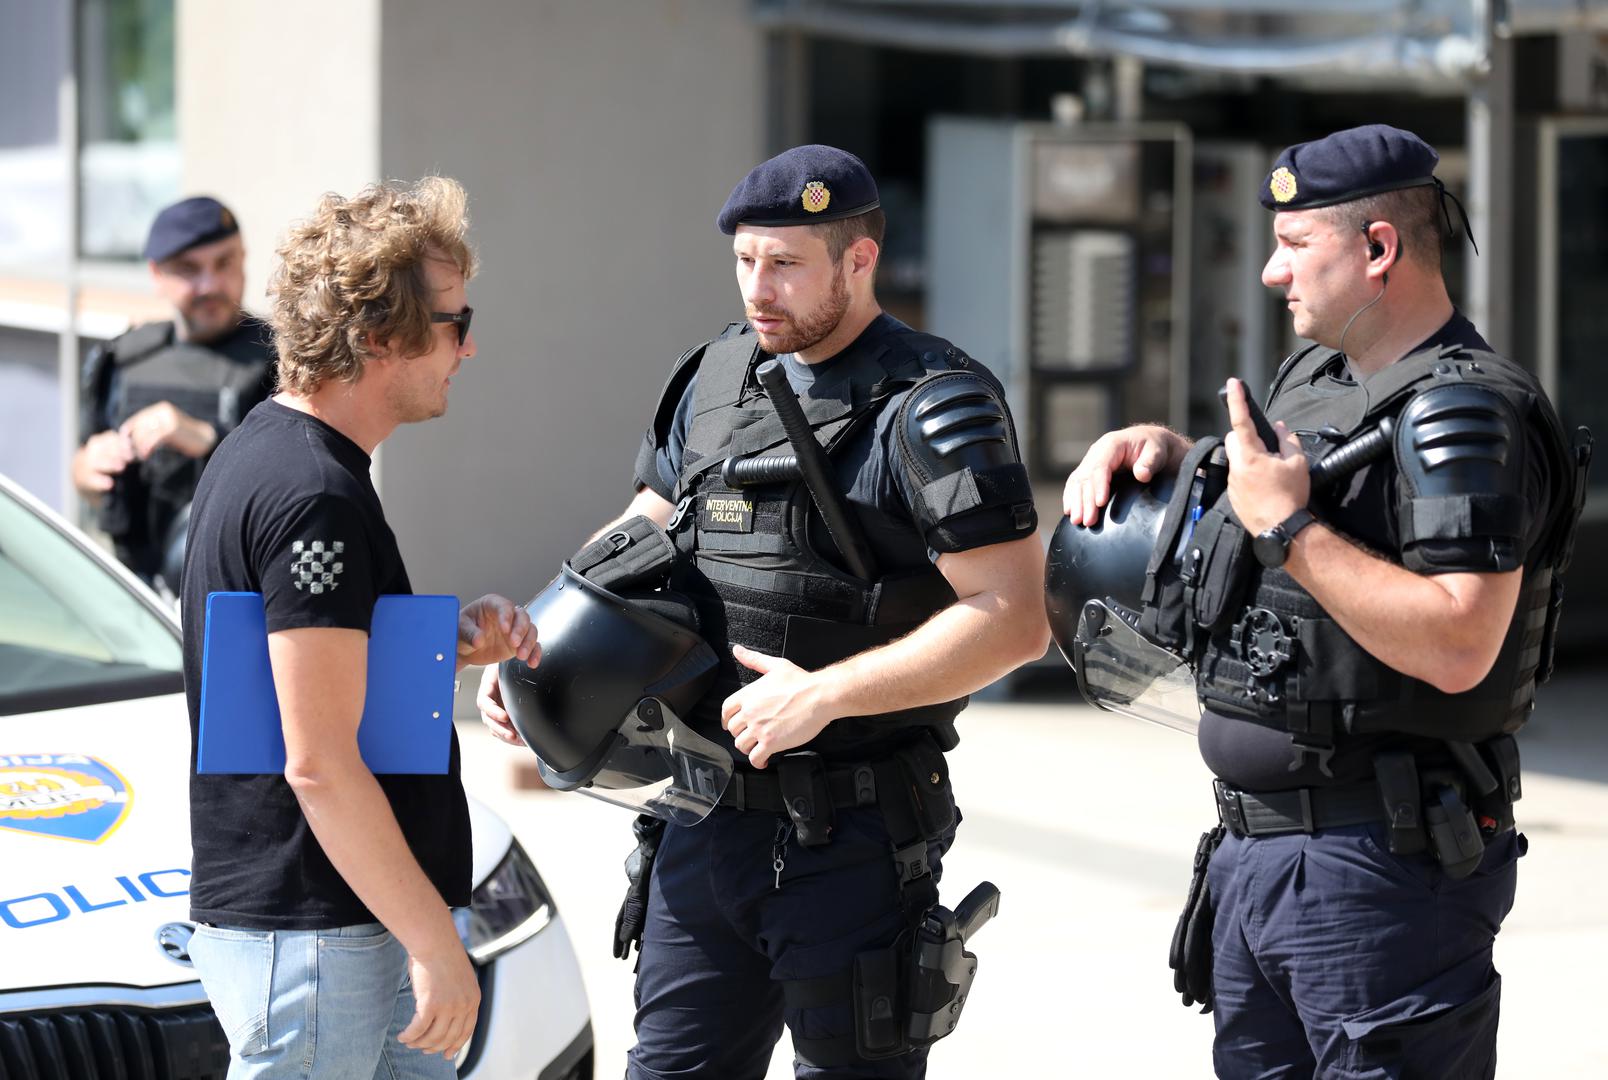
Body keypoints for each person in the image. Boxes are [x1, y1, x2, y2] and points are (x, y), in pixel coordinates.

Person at [479, 144, 1049, 1078]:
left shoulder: (931, 401)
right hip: (700, 824)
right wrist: (541, 658)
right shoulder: (712, 378)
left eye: (785, 264)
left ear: (858, 262)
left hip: (852, 838)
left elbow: (1015, 617)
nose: (758, 288)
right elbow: (639, 535)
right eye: (745, 261)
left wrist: (825, 695)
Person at [1060, 125, 1586, 1079]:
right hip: (1259, 856)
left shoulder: (1462, 415)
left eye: (1297, 245)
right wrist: (1180, 464)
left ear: (1379, 250)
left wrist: (1288, 534)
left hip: (1380, 871)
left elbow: (1462, 639)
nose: (1269, 271)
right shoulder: (1317, 376)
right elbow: (1291, 496)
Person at [179, 177, 537, 1078]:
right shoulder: (313, 495)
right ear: (381, 337)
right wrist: (434, 945)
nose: (469, 346)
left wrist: (449, 640)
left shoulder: (278, 454)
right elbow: (320, 760)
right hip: (320, 938)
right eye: (455, 322)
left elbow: (299, 668)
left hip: (330, 932)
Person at [73, 195, 277, 590]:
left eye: (225, 262)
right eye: (188, 269)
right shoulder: (122, 358)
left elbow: (306, 480)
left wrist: (210, 439)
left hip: (241, 593)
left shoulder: (285, 359)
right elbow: (85, 459)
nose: (211, 284)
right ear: (155, 274)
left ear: (244, 258)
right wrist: (88, 469)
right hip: (139, 593)